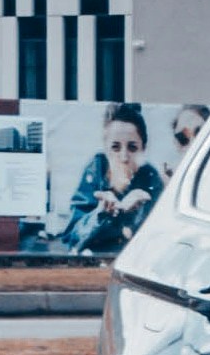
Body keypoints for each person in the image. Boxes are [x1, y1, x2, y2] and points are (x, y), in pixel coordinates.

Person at [62, 103, 162, 255]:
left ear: (143, 149)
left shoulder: (151, 177)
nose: (124, 157)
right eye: (115, 147)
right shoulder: (96, 169)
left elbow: (158, 240)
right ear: (106, 148)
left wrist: (135, 215)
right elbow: (71, 237)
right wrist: (101, 213)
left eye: (132, 148)